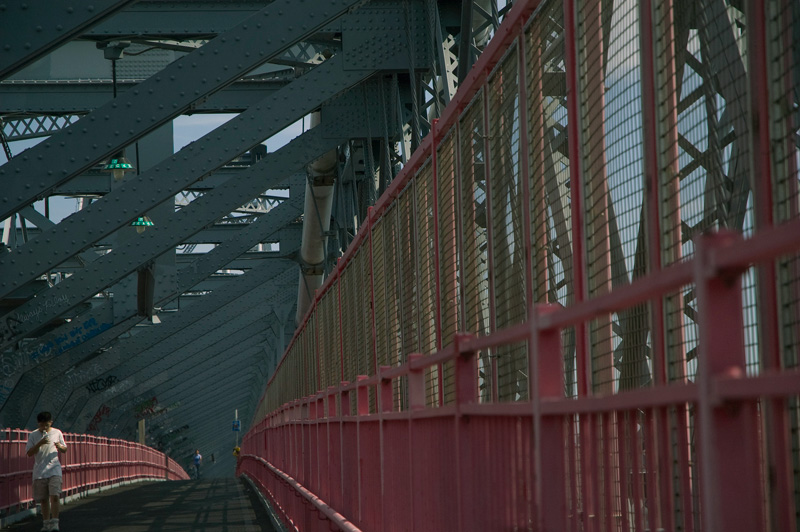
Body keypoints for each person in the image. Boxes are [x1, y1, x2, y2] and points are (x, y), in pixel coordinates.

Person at [26, 412, 67, 532]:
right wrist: (40, 443)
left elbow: (65, 449)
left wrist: (59, 447)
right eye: (41, 424)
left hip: (55, 469)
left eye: (46, 424)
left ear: (51, 422)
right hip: (40, 471)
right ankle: (46, 523)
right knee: (43, 499)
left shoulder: (57, 432)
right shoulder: (33, 435)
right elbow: (29, 453)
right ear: (38, 423)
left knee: (54, 495)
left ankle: (55, 523)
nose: (44, 427)